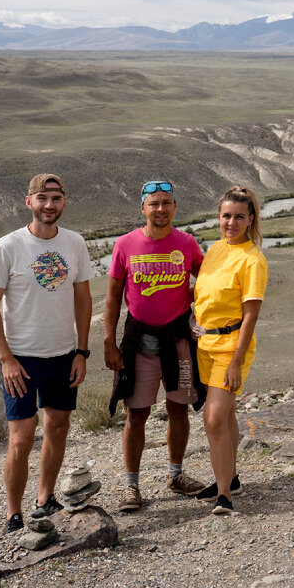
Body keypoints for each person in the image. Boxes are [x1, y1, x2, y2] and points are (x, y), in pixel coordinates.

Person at [0, 173, 94, 534]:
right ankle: (13, 512)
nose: (49, 205)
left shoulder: (75, 243)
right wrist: (6, 359)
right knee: (21, 437)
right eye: (42, 198)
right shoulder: (9, 246)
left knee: (58, 428)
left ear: (64, 203)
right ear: (28, 201)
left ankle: (44, 499)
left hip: (63, 355)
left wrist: (82, 351)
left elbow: (82, 299)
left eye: (56, 198)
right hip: (22, 360)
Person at [104, 180, 209, 511]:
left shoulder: (187, 243)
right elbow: (112, 296)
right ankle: (131, 485)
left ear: (175, 207)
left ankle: (176, 475)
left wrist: (195, 305)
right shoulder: (125, 245)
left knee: (178, 407)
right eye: (154, 204)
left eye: (166, 203)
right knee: (137, 413)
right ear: (143, 209)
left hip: (177, 339)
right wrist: (109, 340)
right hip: (139, 340)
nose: (160, 209)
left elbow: (207, 282)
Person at [192, 185, 268, 515]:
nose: (231, 223)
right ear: (218, 218)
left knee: (213, 419)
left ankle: (224, 494)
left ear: (251, 220)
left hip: (231, 347)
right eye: (226, 216)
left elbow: (251, 314)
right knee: (228, 414)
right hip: (205, 344)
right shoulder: (216, 249)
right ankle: (231, 477)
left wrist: (236, 361)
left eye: (239, 217)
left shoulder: (252, 260)